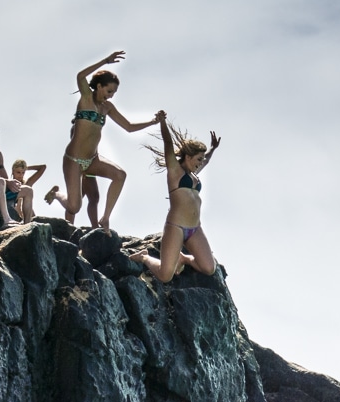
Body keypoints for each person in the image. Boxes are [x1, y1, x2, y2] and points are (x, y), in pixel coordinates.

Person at [61, 50, 162, 236]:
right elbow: (80, 75)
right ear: (98, 87)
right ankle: (59, 195)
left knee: (120, 175)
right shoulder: (86, 97)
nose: (111, 95)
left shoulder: (107, 107)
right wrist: (105, 61)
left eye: (114, 92)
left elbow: (129, 127)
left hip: (92, 160)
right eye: (109, 91)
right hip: (73, 160)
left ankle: (105, 218)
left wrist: (153, 122)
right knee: (74, 206)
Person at [130, 112, 221, 281]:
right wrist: (163, 123)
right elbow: (168, 144)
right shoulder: (175, 171)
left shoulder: (194, 176)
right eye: (198, 159)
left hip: (195, 229)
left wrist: (213, 149)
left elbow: (207, 161)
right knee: (165, 276)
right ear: (188, 157)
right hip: (176, 227)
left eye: (201, 160)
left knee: (209, 268)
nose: (200, 163)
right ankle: (144, 257)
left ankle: (184, 258)